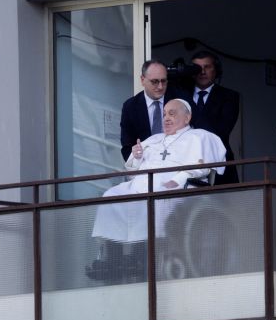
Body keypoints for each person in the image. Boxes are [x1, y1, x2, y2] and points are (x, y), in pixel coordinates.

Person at [88, 98, 226, 283]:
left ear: (187, 117)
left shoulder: (199, 137)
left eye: (172, 113)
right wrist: (136, 156)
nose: (166, 118)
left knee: (154, 199)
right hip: (140, 184)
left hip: (174, 188)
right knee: (111, 196)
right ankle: (112, 258)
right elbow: (132, 169)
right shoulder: (154, 139)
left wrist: (177, 180)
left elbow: (202, 168)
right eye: (164, 114)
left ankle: (140, 257)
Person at [119, 59, 190, 161]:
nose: (160, 87)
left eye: (163, 81)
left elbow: (197, 129)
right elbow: (127, 146)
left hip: (178, 162)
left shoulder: (180, 99)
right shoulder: (130, 107)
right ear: (142, 80)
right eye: (154, 82)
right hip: (146, 166)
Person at [189, 50, 240, 184]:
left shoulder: (230, 96)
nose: (202, 72)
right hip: (185, 162)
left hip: (219, 162)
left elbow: (220, 132)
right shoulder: (181, 95)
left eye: (207, 67)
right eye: (197, 68)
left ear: (216, 70)